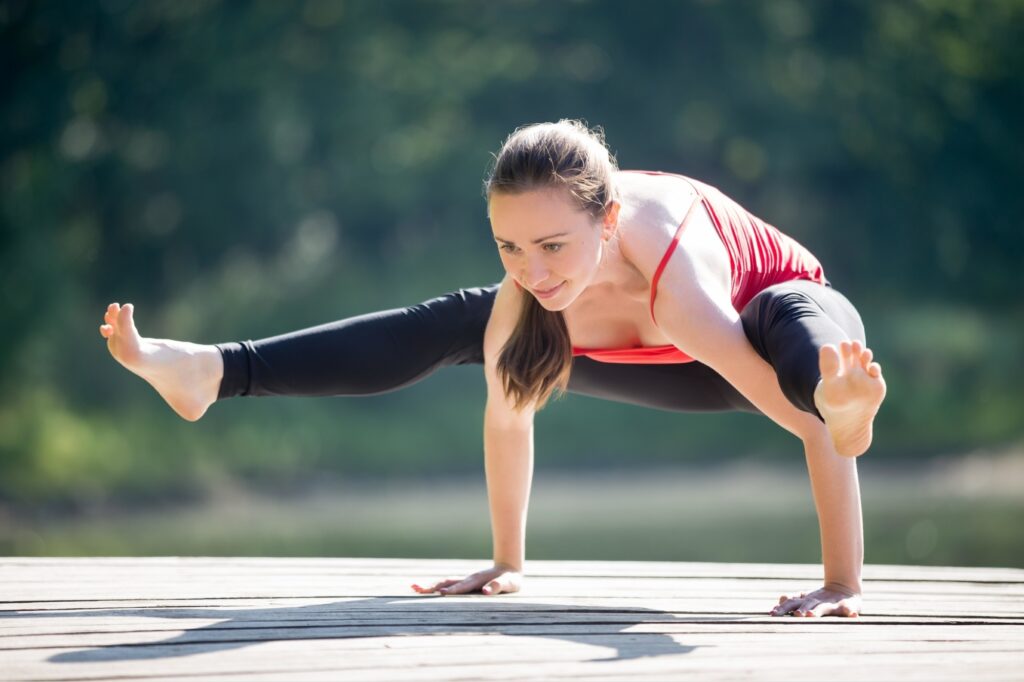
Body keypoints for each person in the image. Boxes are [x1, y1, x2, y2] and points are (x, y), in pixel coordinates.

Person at [100, 119, 886, 618]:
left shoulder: (677, 279)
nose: (533, 270)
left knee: (799, 341)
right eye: (510, 246)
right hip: (671, 365)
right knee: (465, 321)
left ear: (607, 221)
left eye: (551, 247)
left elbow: (807, 431)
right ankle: (215, 370)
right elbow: (508, 413)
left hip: (774, 335)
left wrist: (841, 579)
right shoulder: (528, 289)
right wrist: (507, 563)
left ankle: (843, 391)